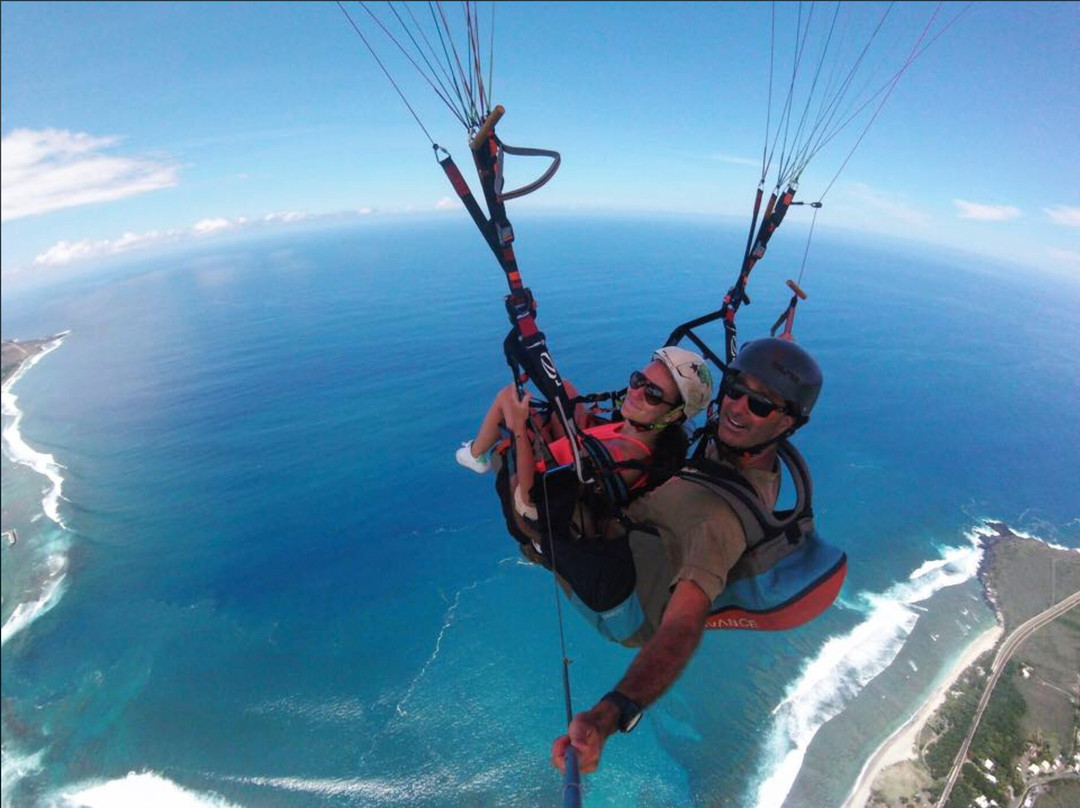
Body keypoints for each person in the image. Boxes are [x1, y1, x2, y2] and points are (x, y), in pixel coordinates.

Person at [550, 337, 823, 775]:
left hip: (623, 604)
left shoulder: (718, 522)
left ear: (789, 421)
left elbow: (681, 630)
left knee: (535, 505)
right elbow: (745, 404)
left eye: (759, 405)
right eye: (734, 390)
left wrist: (608, 716)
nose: (736, 408)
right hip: (645, 538)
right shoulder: (738, 447)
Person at [455, 347, 713, 546]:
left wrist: (520, 430)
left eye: (653, 394)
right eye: (638, 380)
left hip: (539, 497)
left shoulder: (622, 455)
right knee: (564, 388)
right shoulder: (636, 431)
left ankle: (475, 455)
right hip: (579, 451)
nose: (635, 392)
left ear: (672, 416)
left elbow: (531, 498)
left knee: (507, 398)